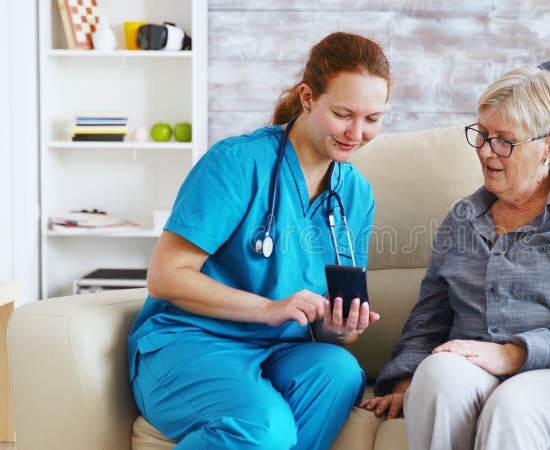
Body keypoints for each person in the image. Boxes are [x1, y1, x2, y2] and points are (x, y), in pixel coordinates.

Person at [127, 32, 390, 450]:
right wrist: (268, 309)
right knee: (266, 429)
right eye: (343, 114)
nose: (356, 133)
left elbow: (334, 331)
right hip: (191, 342)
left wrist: (339, 327)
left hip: (279, 351)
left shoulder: (356, 195)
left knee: (340, 370)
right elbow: (165, 277)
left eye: (372, 119)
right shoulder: (237, 163)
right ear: (307, 97)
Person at [361, 67, 550, 450]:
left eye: (505, 141)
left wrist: (511, 354)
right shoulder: (462, 219)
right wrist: (408, 380)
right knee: (436, 375)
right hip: (478, 369)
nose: (487, 151)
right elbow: (430, 316)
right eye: (483, 135)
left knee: (512, 404)